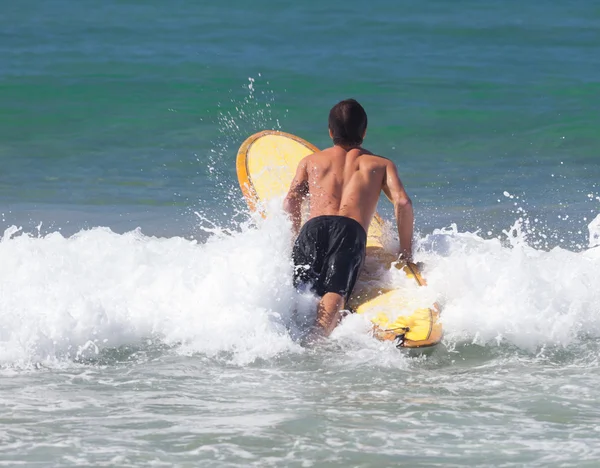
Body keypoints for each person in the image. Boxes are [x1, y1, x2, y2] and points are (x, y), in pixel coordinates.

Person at [283, 99, 414, 337]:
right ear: (364, 132)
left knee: (301, 285)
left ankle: (289, 333)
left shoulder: (310, 161)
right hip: (349, 231)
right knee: (336, 289)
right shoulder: (381, 164)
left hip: (313, 228)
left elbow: (291, 200)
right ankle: (317, 341)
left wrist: (294, 238)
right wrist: (406, 253)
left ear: (330, 131)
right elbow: (403, 203)